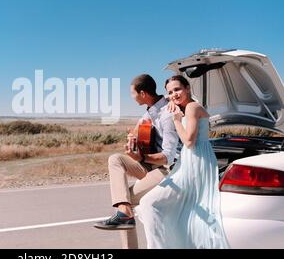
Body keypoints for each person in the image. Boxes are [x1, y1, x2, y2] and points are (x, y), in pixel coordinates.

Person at [137, 75, 230, 249]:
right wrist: (172, 104)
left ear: (188, 88)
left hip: (196, 162)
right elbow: (164, 102)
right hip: (192, 160)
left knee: (149, 203)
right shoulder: (186, 106)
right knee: (182, 211)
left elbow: (188, 141)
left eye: (177, 89)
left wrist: (176, 120)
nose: (173, 94)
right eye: (170, 92)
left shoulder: (192, 108)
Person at [94, 74, 180, 249]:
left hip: (168, 169)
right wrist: (133, 139)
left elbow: (168, 156)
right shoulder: (150, 112)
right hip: (150, 165)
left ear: (142, 93)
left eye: (132, 93)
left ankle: (125, 216)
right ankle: (124, 213)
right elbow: (139, 131)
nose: (131, 97)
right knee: (116, 159)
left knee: (127, 201)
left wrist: (142, 157)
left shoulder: (166, 114)